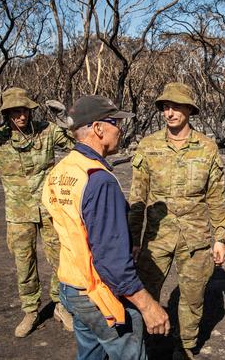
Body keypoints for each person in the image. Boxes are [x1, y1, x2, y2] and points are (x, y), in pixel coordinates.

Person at [42, 95, 170, 360]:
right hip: (98, 292)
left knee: (91, 354)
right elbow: (111, 261)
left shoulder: (62, 170)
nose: (120, 129)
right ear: (98, 128)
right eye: (115, 122)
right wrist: (148, 306)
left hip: (71, 286)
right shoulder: (99, 180)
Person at [0, 87, 74, 337]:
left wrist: (67, 122)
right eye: (14, 112)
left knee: (62, 259)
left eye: (24, 110)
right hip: (19, 214)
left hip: (50, 209)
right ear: (6, 114)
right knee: (24, 263)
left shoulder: (47, 131)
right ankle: (31, 310)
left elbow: (81, 146)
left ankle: (61, 304)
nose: (21, 116)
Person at [128, 82, 225, 358]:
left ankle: (184, 347)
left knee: (193, 298)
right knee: (144, 294)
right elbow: (137, 198)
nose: (169, 112)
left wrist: (220, 237)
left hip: (195, 238)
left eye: (175, 106)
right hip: (156, 238)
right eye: (165, 107)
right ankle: (143, 348)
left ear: (189, 109)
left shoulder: (207, 148)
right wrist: (133, 240)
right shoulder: (148, 146)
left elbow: (216, 197)